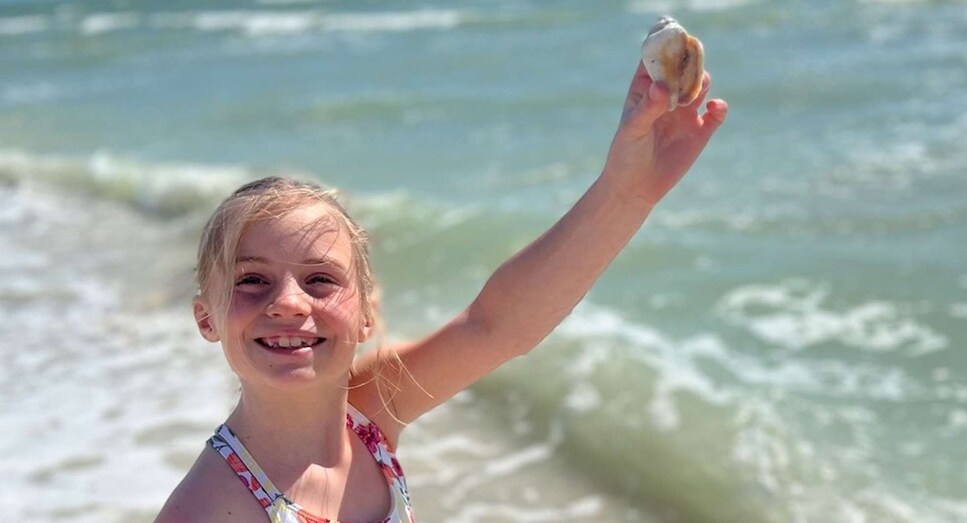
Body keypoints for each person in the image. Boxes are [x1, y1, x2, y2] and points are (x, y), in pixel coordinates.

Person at [154, 62, 728, 523]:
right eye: (251, 280)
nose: (288, 301)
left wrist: (625, 192)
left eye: (320, 280)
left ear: (366, 315)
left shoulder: (368, 414)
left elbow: (497, 326)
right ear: (206, 318)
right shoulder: (209, 509)